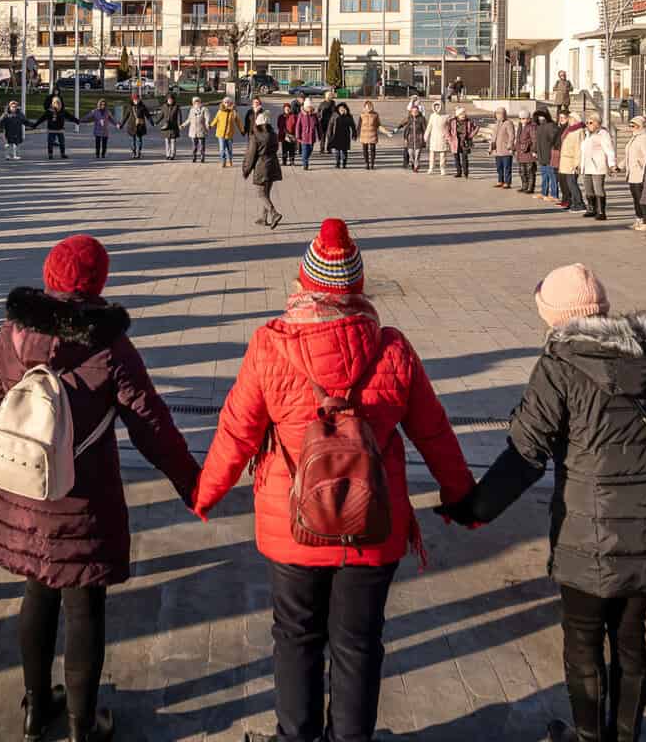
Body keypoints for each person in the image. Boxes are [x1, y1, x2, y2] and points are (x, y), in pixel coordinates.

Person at [195, 220, 473, 742]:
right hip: (373, 526)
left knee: (296, 637)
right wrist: (462, 496)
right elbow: (433, 431)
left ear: (304, 283)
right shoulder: (392, 349)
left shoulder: (270, 345)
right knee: (358, 644)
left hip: (293, 525)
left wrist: (206, 492)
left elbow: (236, 430)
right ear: (357, 287)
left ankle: (295, 735)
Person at [441, 264, 646, 742]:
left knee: (583, 640)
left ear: (557, 316)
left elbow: (526, 454)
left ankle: (588, 736)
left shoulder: (559, 366)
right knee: (631, 640)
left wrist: (475, 508)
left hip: (588, 534)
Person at [0, 235, 198, 742]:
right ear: (98, 282)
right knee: (84, 608)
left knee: (37, 591)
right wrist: (192, 483)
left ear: (49, 274)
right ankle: (83, 725)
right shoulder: (109, 345)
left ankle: (36, 709)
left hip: (23, 491)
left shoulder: (13, 332)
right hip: (84, 499)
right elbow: (151, 425)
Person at [245, 109, 283, 229]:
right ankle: (263, 218)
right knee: (266, 193)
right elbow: (276, 148)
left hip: (262, 165)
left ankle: (274, 213)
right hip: (273, 164)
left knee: (260, 193)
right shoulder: (273, 134)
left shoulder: (255, 136)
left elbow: (251, 155)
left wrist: (246, 169)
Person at [577, 114, 617, 220]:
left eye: (590, 122)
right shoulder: (587, 134)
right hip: (587, 166)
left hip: (598, 166)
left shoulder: (603, 134)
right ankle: (591, 209)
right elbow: (583, 151)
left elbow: (609, 150)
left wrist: (612, 164)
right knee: (588, 189)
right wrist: (580, 164)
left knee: (598, 189)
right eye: (587, 123)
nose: (588, 125)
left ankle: (601, 211)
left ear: (597, 123)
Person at [623, 117, 646, 228]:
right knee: (636, 199)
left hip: (641, 174)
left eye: (633, 125)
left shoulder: (645, 138)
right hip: (632, 173)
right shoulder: (634, 138)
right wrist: (620, 166)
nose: (631, 128)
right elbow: (629, 155)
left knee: (642, 199)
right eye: (630, 125)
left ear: (640, 126)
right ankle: (639, 218)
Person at [555, 114, 586, 211]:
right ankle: (573, 203)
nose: (570, 120)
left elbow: (579, 149)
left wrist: (577, 164)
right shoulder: (570, 130)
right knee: (569, 184)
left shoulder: (579, 131)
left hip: (572, 162)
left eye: (571, 118)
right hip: (566, 161)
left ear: (576, 120)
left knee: (572, 183)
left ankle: (580, 204)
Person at [533, 106, 560, 200]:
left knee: (552, 176)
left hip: (549, 156)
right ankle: (544, 193)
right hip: (541, 155)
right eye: (539, 116)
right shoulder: (539, 126)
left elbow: (555, 139)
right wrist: (535, 150)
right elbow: (537, 141)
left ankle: (554, 195)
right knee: (544, 176)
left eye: (542, 115)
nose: (540, 118)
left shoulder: (551, 125)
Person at [397, 100, 427, 173]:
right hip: (410, 138)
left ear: (418, 111)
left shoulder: (422, 119)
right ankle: (413, 163)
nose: (414, 112)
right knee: (410, 153)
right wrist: (396, 130)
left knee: (417, 154)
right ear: (411, 112)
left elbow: (425, 128)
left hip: (419, 138)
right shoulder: (409, 118)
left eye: (416, 111)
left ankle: (416, 166)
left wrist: (425, 137)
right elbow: (402, 124)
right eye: (413, 111)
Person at [491, 106, 518, 188]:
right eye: (497, 113)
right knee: (499, 167)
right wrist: (491, 148)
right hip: (497, 150)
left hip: (506, 150)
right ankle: (500, 181)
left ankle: (507, 182)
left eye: (501, 113)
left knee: (507, 167)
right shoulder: (496, 124)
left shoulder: (508, 123)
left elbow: (511, 135)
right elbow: (493, 137)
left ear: (505, 114)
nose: (499, 115)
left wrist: (510, 145)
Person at [212, 97, 242, 166]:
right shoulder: (220, 111)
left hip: (229, 134)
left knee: (229, 149)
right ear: (223, 103)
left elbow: (238, 122)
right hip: (220, 133)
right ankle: (223, 161)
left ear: (230, 103)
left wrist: (242, 130)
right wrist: (211, 125)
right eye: (225, 102)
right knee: (222, 149)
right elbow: (216, 119)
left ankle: (230, 160)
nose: (226, 104)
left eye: (228, 102)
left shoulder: (233, 112)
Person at [325, 102, 354, 169]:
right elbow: (330, 125)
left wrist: (354, 134)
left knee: (344, 151)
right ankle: (337, 163)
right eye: (340, 108)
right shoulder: (335, 115)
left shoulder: (348, 116)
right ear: (338, 109)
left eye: (343, 108)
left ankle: (344, 163)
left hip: (345, 136)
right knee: (337, 151)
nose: (342, 109)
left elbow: (352, 125)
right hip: (336, 135)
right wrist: (329, 134)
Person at [426, 101, 450, 177]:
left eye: (438, 107)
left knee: (443, 155)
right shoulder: (432, 116)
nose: (437, 108)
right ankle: (431, 168)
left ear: (441, 107)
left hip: (443, 137)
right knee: (432, 155)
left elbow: (450, 127)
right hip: (433, 137)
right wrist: (426, 136)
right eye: (435, 107)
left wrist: (449, 137)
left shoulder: (446, 116)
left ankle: (442, 169)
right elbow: (429, 126)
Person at [357, 99, 383, 172]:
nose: (368, 107)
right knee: (365, 149)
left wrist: (386, 132)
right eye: (367, 106)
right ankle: (367, 163)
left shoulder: (375, 114)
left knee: (372, 149)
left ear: (372, 107)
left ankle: (372, 164)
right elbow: (359, 125)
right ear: (364, 107)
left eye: (369, 106)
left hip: (372, 134)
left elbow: (378, 125)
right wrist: (356, 134)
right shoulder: (362, 115)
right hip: (364, 134)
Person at [186, 97, 211, 163]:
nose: (196, 103)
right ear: (193, 103)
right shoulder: (192, 110)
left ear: (200, 102)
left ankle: (202, 157)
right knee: (194, 145)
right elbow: (189, 119)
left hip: (201, 130)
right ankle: (194, 157)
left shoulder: (204, 109)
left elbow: (207, 118)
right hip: (193, 130)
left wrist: (207, 124)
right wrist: (183, 125)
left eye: (198, 101)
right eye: (195, 102)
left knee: (202, 145)